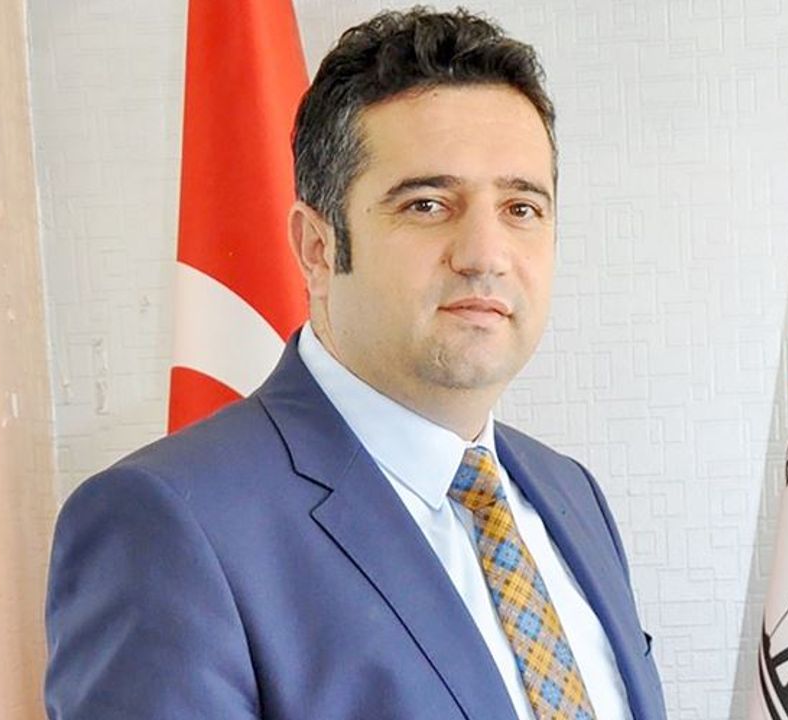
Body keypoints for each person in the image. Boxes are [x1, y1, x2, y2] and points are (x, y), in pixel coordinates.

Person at [44, 8, 666, 720]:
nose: (486, 255)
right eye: (427, 204)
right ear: (317, 248)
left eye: (521, 208)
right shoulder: (166, 526)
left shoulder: (569, 494)